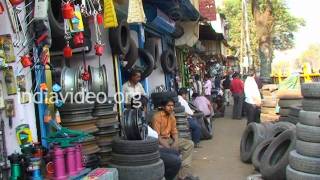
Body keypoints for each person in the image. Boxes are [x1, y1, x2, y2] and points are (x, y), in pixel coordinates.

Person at [152, 98, 198, 180]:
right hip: (159, 141)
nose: (171, 108)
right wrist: (169, 148)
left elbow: (174, 132)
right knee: (172, 153)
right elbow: (157, 136)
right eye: (168, 106)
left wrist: (176, 142)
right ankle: (175, 174)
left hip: (169, 139)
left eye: (172, 106)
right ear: (163, 107)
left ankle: (183, 174)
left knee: (189, 144)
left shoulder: (172, 117)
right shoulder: (157, 117)